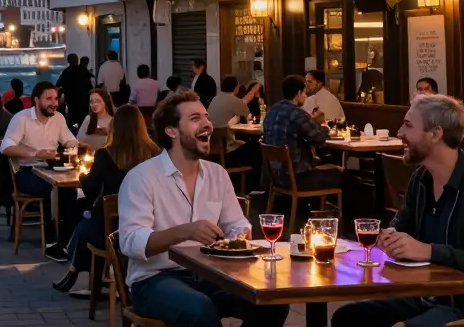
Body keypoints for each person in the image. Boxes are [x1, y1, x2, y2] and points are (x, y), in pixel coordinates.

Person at [330, 95, 464, 327]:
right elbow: (400, 227)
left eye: (408, 125)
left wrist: (429, 251)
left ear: (435, 134)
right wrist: (389, 238)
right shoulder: (421, 179)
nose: (399, 133)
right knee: (348, 318)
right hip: (431, 298)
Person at [119, 92, 289, 327]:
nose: (207, 124)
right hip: (155, 280)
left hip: (212, 275)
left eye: (207, 117)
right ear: (172, 131)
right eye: (195, 118)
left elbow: (237, 224)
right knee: (199, 309)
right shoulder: (142, 178)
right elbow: (130, 242)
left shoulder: (217, 174)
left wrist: (239, 237)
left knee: (272, 301)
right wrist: (186, 231)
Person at [53, 105, 158, 297]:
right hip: (148, 226)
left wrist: (83, 177)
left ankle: (80, 273)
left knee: (86, 225)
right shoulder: (156, 153)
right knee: (87, 222)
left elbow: (91, 188)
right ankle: (80, 274)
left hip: (114, 230)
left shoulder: (106, 154)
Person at [0, 81, 80, 262]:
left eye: (55, 98)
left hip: (51, 169)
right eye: (49, 99)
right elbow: (6, 147)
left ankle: (67, 241)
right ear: (36, 100)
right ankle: (52, 243)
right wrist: (36, 153)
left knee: (71, 190)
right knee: (53, 190)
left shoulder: (58, 118)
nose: (54, 103)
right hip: (26, 171)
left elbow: (69, 139)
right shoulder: (21, 119)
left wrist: (71, 146)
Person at [262, 75, 340, 191]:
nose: (306, 96)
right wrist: (325, 128)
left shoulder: (271, 111)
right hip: (297, 179)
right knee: (342, 176)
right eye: (304, 93)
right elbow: (319, 138)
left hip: (275, 177)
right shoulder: (298, 114)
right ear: (298, 94)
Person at [206, 76, 254, 154]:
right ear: (235, 88)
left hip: (211, 148)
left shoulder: (215, 99)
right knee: (254, 146)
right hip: (227, 149)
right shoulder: (235, 101)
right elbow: (249, 117)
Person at [57, 53, 92, 129]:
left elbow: (59, 84)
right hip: (83, 99)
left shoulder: (66, 72)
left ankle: (74, 131)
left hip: (71, 100)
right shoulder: (83, 70)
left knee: (73, 119)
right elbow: (89, 85)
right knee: (83, 119)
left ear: (68, 61)